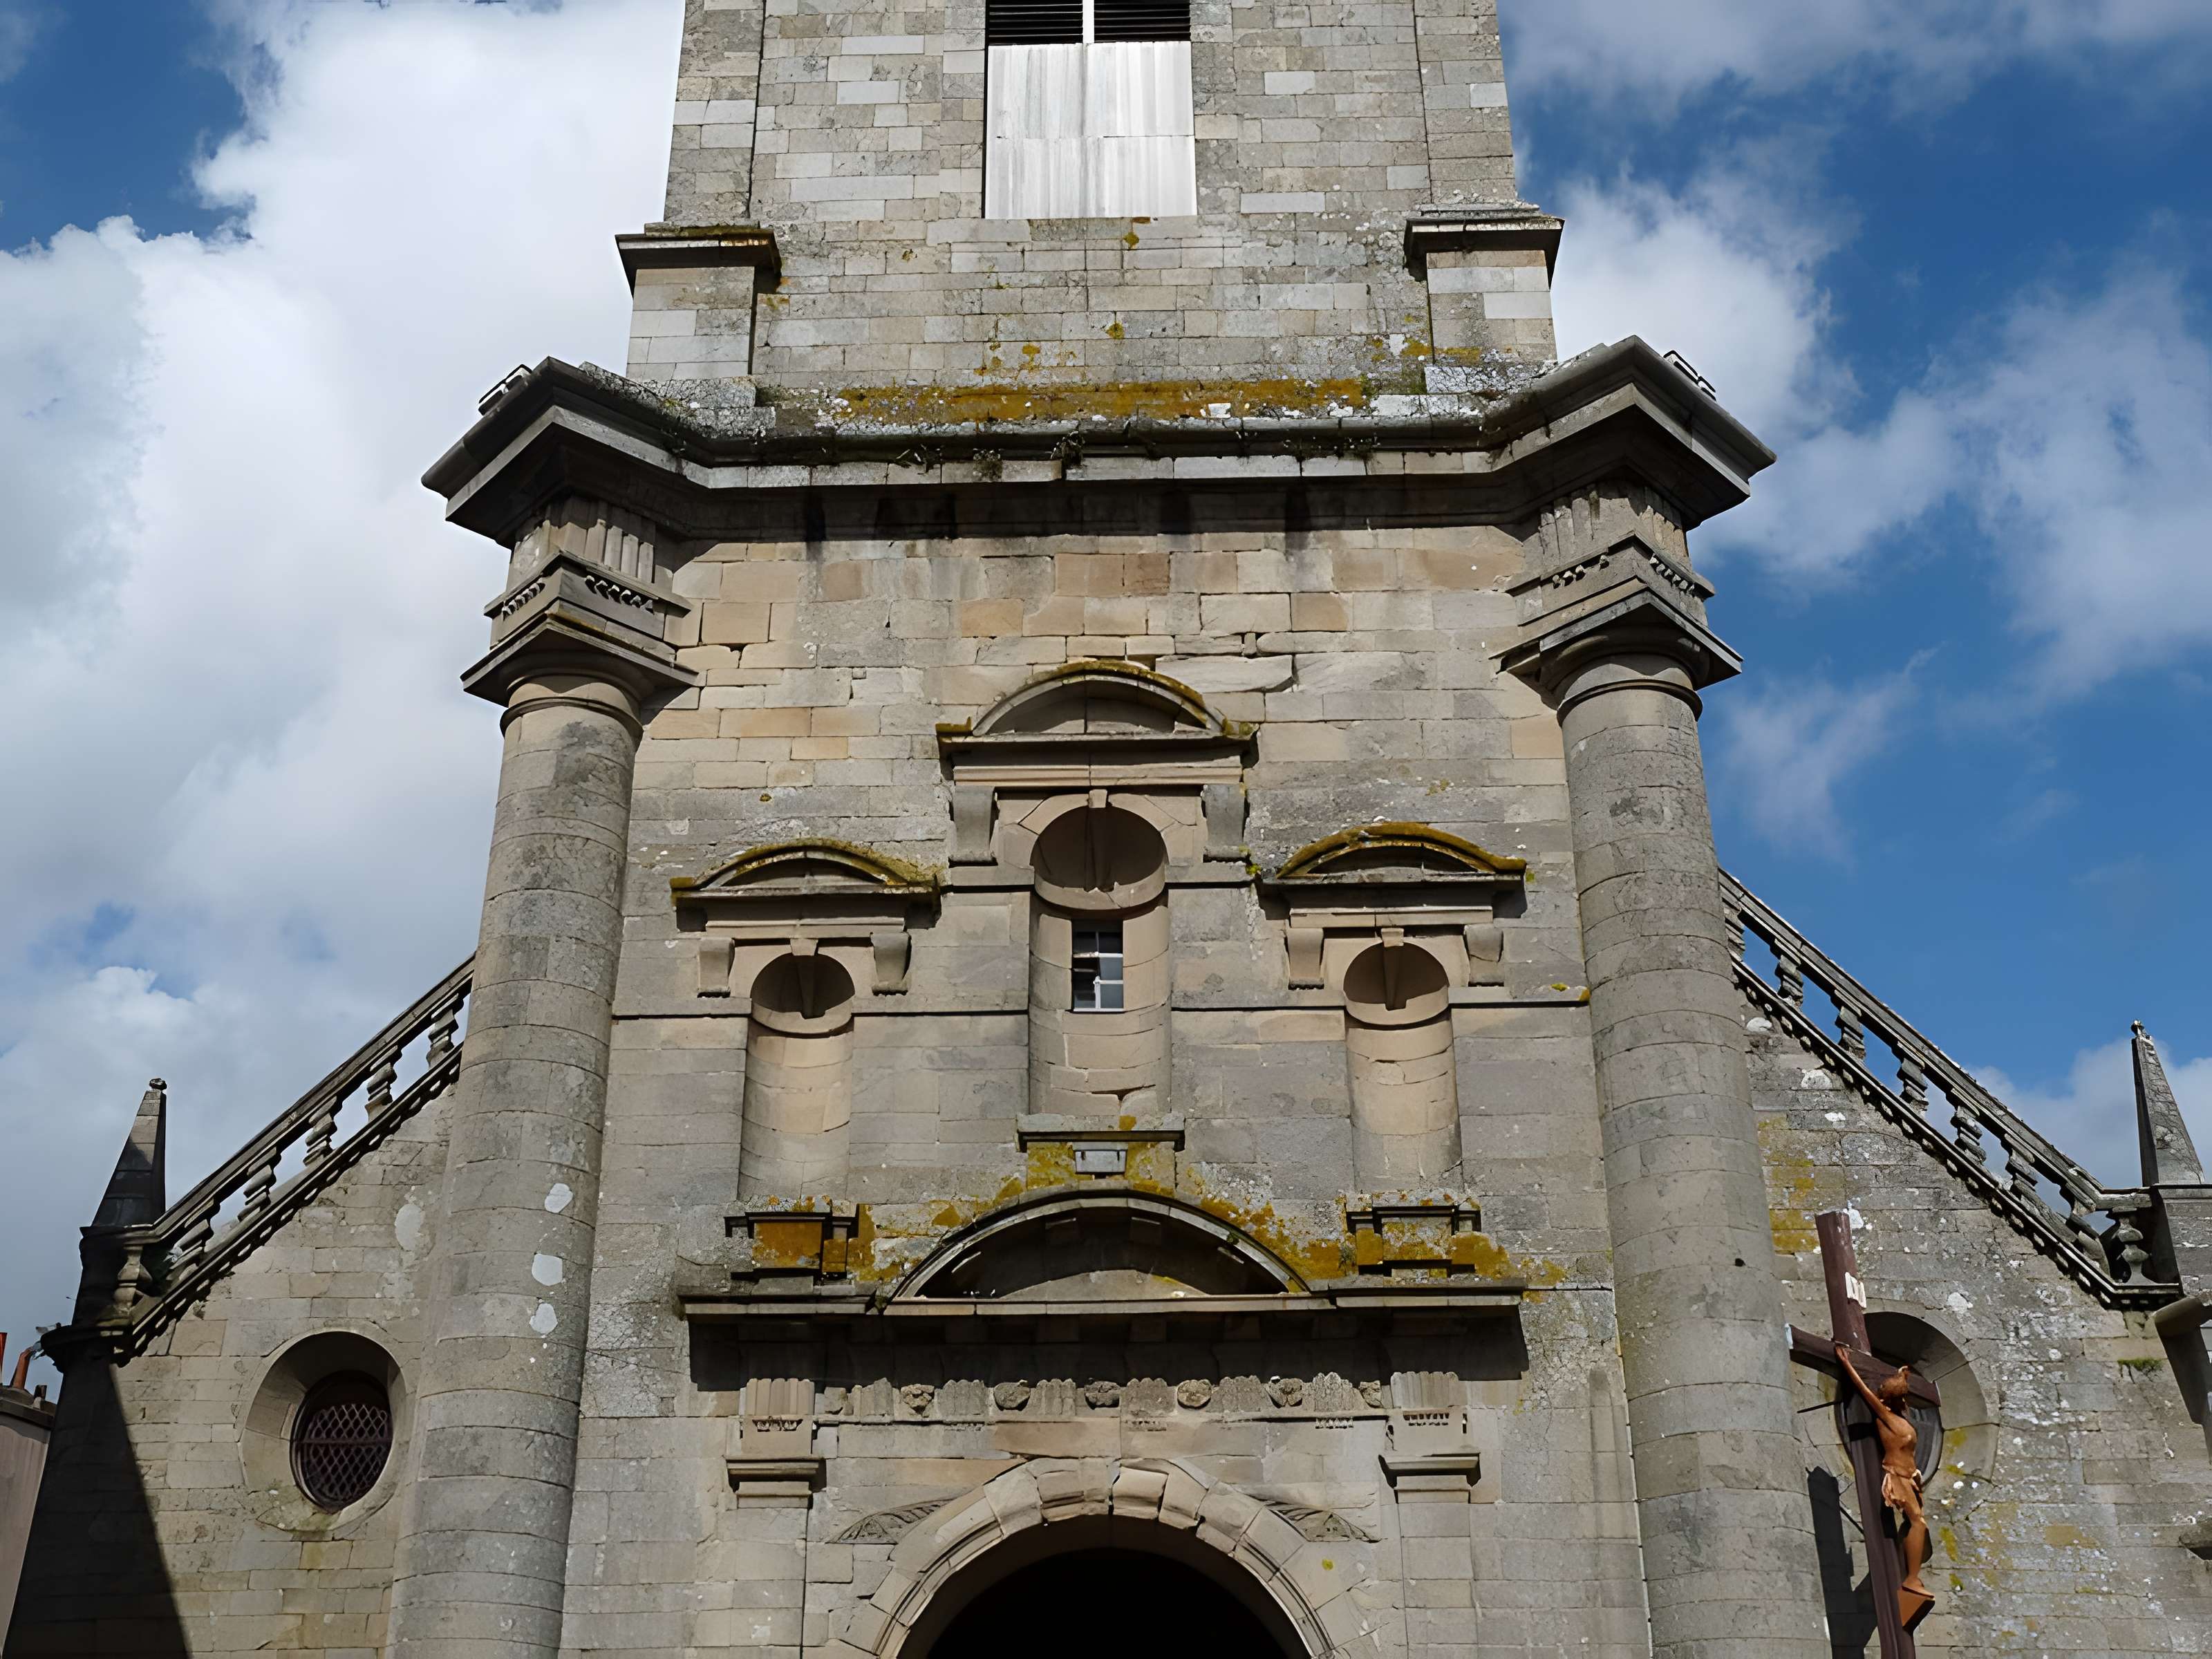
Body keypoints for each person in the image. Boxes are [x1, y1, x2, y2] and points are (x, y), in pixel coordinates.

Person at [1837, 1349, 1936, 1629]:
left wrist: (1916, 1473)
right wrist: (1846, 1364)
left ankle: (1911, 1574)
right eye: (1901, 1395)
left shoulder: (1903, 1421)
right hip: (1896, 1477)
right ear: (1890, 1399)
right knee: (1917, 1523)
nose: (1905, 1400)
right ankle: (1911, 1579)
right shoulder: (1885, 1417)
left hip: (1910, 1477)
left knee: (1919, 1526)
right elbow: (1864, 1392)